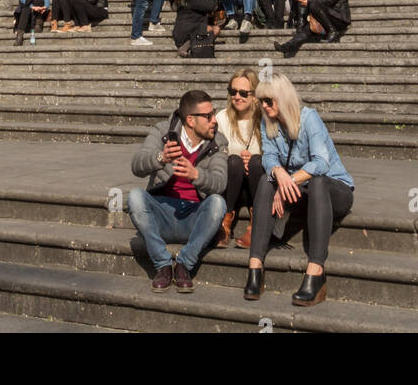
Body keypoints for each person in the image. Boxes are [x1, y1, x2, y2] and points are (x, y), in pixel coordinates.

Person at [244, 73, 355, 305]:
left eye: (269, 101)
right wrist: (279, 173)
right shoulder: (268, 121)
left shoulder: (309, 118)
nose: (264, 106)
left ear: (282, 98)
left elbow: (321, 163)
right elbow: (269, 157)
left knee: (317, 179)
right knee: (267, 179)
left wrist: (288, 181)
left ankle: (315, 272)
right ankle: (255, 268)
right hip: (303, 192)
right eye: (261, 101)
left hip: (335, 191)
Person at [128, 89, 228, 292]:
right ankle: (163, 265)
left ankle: (184, 264)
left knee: (218, 203)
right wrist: (160, 158)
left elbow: (220, 182)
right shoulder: (163, 131)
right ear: (191, 120)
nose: (214, 120)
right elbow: (137, 165)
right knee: (135, 197)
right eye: (208, 116)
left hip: (195, 218)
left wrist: (196, 175)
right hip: (162, 215)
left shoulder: (218, 141)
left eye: (214, 113)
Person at [218, 67, 265, 248]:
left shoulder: (264, 118)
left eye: (244, 93)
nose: (237, 97)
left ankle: (257, 224)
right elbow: (214, 153)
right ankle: (225, 221)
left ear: (254, 96)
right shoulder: (222, 118)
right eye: (233, 91)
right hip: (231, 185)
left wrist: (257, 158)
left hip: (257, 185)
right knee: (233, 161)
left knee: (256, 162)